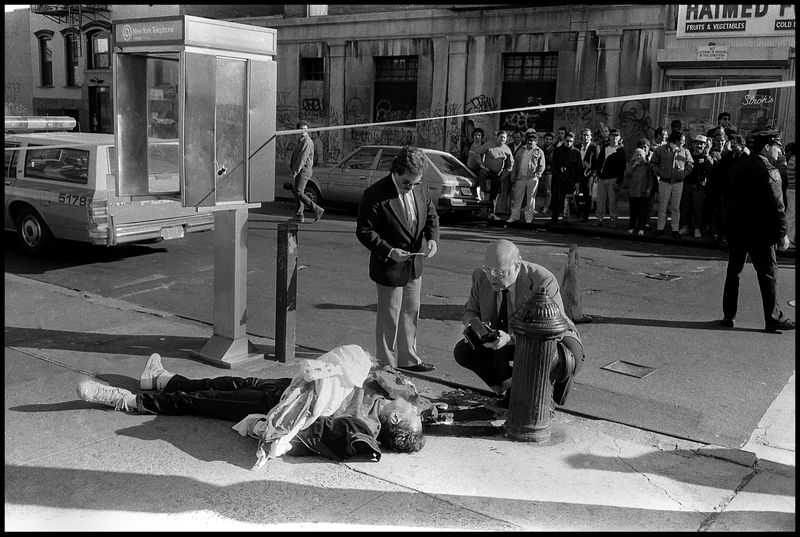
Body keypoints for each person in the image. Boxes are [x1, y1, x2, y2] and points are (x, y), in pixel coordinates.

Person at [76, 348, 440, 462]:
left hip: (287, 403)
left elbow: (327, 430)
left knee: (206, 401)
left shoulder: (366, 426)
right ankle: (162, 379)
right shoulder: (382, 401)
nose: (411, 405)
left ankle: (127, 401)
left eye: (410, 411)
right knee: (229, 383)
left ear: (395, 418)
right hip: (292, 387)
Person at [453, 239, 584, 409]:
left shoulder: (542, 280)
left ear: (517, 265)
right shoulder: (480, 276)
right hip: (504, 334)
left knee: (567, 359)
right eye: (488, 270)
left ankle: (545, 398)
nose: (492, 276)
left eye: (500, 272)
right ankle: (510, 390)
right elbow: (469, 311)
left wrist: (510, 339)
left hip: (548, 336)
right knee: (464, 352)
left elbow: (549, 330)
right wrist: (476, 326)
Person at [356, 146, 439, 372]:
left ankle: (409, 359)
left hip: (414, 262)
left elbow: (431, 216)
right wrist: (389, 250)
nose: (411, 187)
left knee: (412, 310)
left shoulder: (421, 187)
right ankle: (386, 364)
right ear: (396, 171)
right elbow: (364, 231)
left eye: (415, 183)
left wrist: (432, 240)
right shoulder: (375, 194)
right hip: (389, 265)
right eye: (406, 183)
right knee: (388, 316)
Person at [721, 130, 795, 333]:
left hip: (737, 230)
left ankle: (729, 315)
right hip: (761, 233)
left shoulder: (737, 167)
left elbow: (726, 200)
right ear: (766, 147)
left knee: (734, 272)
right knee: (768, 273)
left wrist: (727, 228)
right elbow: (778, 206)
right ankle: (773, 318)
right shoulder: (769, 170)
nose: (779, 150)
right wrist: (782, 234)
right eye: (777, 146)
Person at [648, 131, 694, 238]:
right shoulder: (661, 150)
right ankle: (660, 228)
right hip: (664, 181)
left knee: (675, 207)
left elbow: (690, 163)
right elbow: (653, 163)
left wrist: (684, 173)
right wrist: (659, 172)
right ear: (676, 140)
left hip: (678, 182)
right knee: (662, 206)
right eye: (681, 140)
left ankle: (675, 229)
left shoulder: (685, 151)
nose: (683, 142)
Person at [678, 135, 713, 239]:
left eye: (702, 143)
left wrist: (706, 154)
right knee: (685, 207)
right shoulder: (687, 154)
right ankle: (685, 226)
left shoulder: (706, 156)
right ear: (693, 144)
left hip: (699, 187)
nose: (699, 145)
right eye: (697, 143)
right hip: (686, 185)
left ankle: (697, 228)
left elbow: (709, 169)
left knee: (697, 208)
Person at [289, 121, 324, 223]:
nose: (304, 131)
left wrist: (295, 172)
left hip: (304, 171)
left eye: (305, 129)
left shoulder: (307, 142)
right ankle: (299, 214)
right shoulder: (301, 141)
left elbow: (302, 159)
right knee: (298, 191)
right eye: (302, 129)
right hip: (301, 170)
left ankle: (317, 209)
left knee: (299, 192)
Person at [507, 129, 545, 223]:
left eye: (532, 140)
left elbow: (542, 165)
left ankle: (529, 218)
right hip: (520, 177)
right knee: (517, 198)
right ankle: (514, 216)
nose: (530, 142)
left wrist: (537, 175)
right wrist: (513, 175)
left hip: (532, 178)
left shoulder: (539, 151)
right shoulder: (521, 150)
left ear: (536, 141)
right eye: (528, 140)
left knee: (531, 199)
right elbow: (515, 164)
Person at [594, 128, 627, 228]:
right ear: (610, 136)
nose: (614, 137)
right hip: (602, 178)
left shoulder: (621, 151)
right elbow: (599, 161)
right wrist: (598, 174)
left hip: (613, 179)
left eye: (616, 135)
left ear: (620, 138)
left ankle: (613, 219)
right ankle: (599, 219)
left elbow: (622, 168)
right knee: (600, 201)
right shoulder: (605, 147)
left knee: (612, 201)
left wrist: (619, 182)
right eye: (613, 135)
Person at [548, 131, 582, 226]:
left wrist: (577, 182)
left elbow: (579, 168)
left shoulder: (576, 152)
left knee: (568, 201)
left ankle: (567, 219)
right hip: (559, 179)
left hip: (570, 180)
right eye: (567, 140)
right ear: (564, 140)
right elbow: (554, 164)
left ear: (573, 141)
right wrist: (557, 174)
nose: (569, 143)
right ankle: (554, 218)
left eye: (571, 141)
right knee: (556, 200)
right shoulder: (558, 150)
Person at [479, 130, 515, 220]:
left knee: (494, 195)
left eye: (504, 137)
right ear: (497, 137)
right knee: (481, 173)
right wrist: (481, 164)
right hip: (487, 170)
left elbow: (510, 164)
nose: (502, 139)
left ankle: (491, 213)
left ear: (506, 139)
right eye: (501, 137)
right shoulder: (488, 145)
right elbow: (478, 153)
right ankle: (482, 192)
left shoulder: (507, 149)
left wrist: (505, 174)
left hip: (498, 174)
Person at [624, 148, 655, 235]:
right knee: (633, 211)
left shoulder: (647, 166)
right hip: (633, 192)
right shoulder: (631, 165)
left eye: (640, 155)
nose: (638, 157)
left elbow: (650, 179)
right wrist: (634, 165)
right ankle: (631, 227)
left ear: (644, 156)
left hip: (643, 192)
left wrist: (649, 188)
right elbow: (626, 174)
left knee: (642, 212)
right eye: (637, 155)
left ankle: (641, 228)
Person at [577, 128, 599, 223]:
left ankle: (586, 215)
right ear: (581, 136)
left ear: (590, 137)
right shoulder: (577, 146)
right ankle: (576, 213)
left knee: (587, 194)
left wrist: (593, 174)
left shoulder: (594, 147)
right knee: (576, 193)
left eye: (587, 135)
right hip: (578, 174)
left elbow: (597, 162)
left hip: (589, 175)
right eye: (584, 135)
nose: (585, 137)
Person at [538, 132, 555, 214]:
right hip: (540, 171)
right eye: (546, 139)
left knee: (548, 190)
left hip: (549, 172)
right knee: (540, 190)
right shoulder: (540, 148)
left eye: (550, 139)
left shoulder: (554, 149)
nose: (548, 141)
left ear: (552, 140)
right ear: (544, 139)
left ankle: (546, 207)